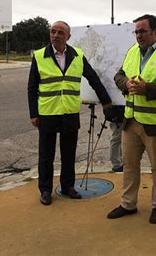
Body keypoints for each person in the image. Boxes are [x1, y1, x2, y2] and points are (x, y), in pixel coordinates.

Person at [107, 14, 156, 224]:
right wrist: (126, 84)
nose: (138, 35)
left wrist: (147, 89)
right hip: (131, 121)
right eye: (136, 31)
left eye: (142, 31)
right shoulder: (133, 51)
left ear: (155, 32)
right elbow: (118, 75)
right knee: (129, 165)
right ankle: (128, 204)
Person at [28, 20, 112, 206]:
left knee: (69, 154)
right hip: (47, 113)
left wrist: (106, 101)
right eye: (53, 32)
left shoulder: (77, 56)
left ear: (68, 37)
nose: (55, 35)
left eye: (60, 32)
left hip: (70, 113)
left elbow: (93, 78)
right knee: (46, 155)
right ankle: (46, 190)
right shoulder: (40, 56)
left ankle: (67, 186)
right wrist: (33, 113)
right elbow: (32, 87)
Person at [109, 105, 125, 173]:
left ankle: (119, 163)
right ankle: (116, 165)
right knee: (116, 139)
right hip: (118, 114)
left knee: (119, 139)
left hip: (119, 113)